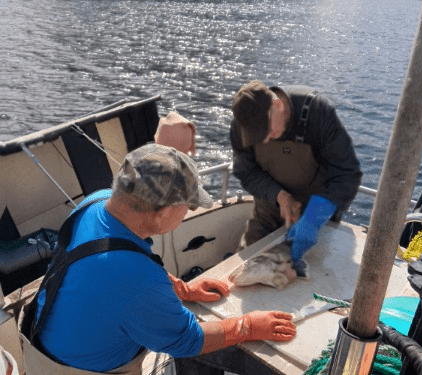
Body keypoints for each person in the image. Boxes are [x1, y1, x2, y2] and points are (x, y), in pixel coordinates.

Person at [19, 143, 296, 375]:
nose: (189, 211)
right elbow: (187, 341)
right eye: (188, 206)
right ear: (162, 212)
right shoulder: (135, 277)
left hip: (40, 346)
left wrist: (183, 289)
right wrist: (247, 327)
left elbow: (123, 267)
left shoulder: (97, 202)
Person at [230, 80, 362, 276]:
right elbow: (246, 171)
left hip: (317, 209)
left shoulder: (317, 112)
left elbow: (346, 173)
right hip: (269, 203)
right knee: (244, 271)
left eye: (267, 130)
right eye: (258, 136)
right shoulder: (243, 123)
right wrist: (279, 195)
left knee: (315, 275)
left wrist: (314, 217)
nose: (265, 140)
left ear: (278, 105)